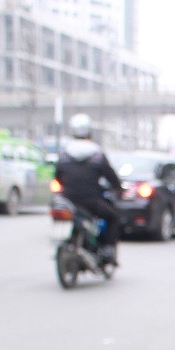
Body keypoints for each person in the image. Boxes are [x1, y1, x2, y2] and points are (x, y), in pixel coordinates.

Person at [54, 113, 122, 264]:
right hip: (91, 200)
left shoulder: (65, 153)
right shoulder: (96, 154)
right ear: (89, 133)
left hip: (67, 200)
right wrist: (119, 188)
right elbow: (111, 176)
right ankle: (107, 250)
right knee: (113, 217)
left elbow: (57, 177)